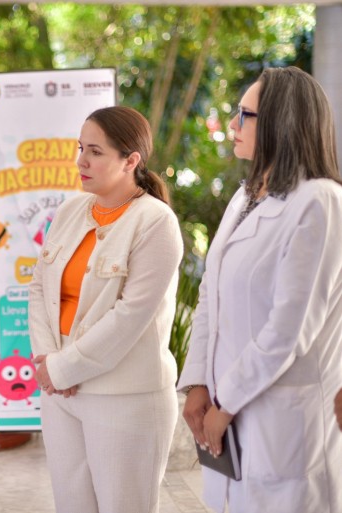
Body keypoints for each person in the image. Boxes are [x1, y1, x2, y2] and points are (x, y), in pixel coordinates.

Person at [178, 66, 342, 513]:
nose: (233, 123)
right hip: (228, 417)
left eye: (245, 114)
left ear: (280, 122)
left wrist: (226, 404)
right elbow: (210, 295)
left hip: (284, 424)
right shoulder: (246, 197)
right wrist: (198, 384)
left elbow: (288, 331)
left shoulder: (320, 201)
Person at [28, 106, 183, 513]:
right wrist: (47, 359)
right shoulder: (71, 211)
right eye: (81, 148)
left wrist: (63, 369)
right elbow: (39, 286)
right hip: (60, 391)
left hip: (124, 397)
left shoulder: (156, 222)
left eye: (95, 152)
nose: (81, 161)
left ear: (131, 160)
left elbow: (131, 316)